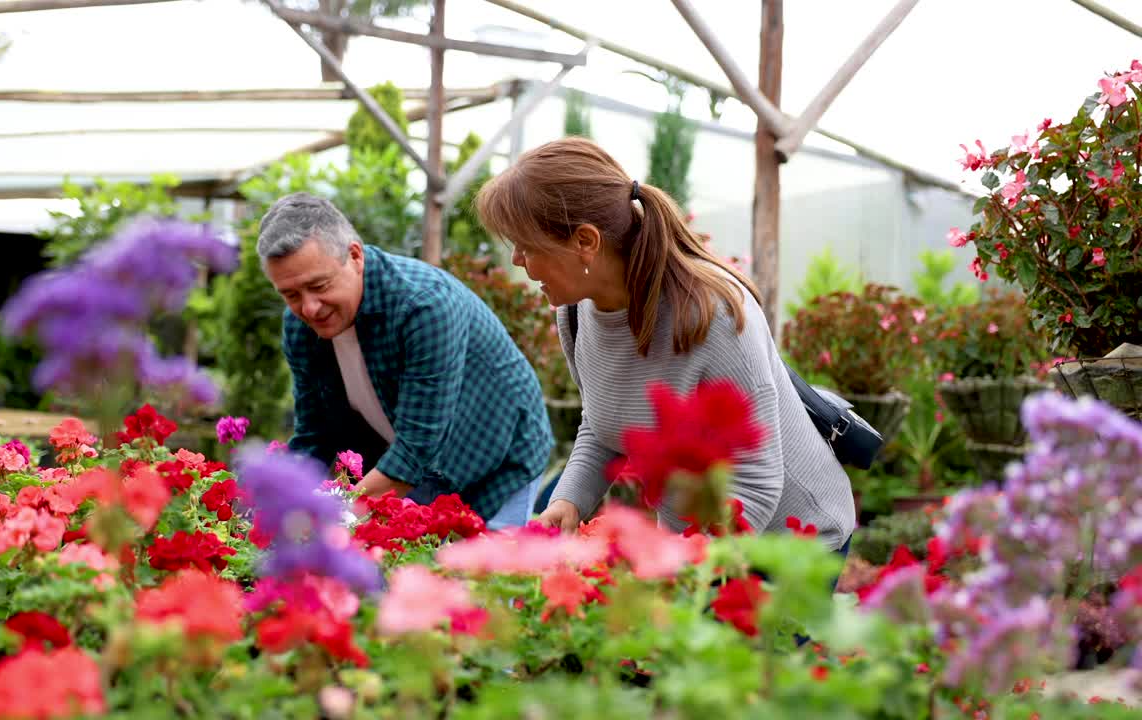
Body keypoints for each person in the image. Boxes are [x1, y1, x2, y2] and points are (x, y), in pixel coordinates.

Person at [474, 137, 855, 552]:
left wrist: (677, 575)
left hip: (791, 542)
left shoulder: (713, 314)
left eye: (526, 246)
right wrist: (567, 502)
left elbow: (753, 482)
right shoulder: (575, 313)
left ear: (585, 241)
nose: (517, 261)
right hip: (696, 546)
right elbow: (602, 424)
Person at [258, 193, 554, 529]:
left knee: (485, 574)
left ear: (355, 256)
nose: (308, 308)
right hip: (412, 472)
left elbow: (417, 449)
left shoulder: (422, 306)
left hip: (498, 458)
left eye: (319, 285)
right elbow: (314, 436)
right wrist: (279, 504)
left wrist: (331, 515)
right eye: (291, 295)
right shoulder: (299, 328)